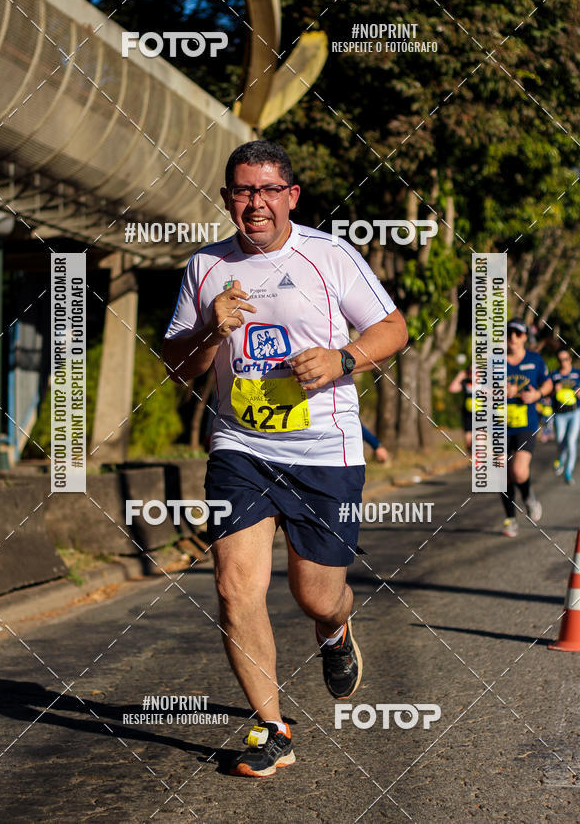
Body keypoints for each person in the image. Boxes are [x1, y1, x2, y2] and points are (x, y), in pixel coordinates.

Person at [162, 140, 407, 777]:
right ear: (227, 200)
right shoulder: (205, 269)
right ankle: (272, 729)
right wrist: (207, 331)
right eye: (243, 191)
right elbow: (179, 368)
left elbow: (393, 328)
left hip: (324, 449)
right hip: (240, 447)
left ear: (291, 197)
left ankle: (335, 630)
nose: (256, 203)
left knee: (315, 593)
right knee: (234, 587)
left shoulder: (329, 257)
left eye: (269, 190)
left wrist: (343, 360)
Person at [500, 318, 552, 537]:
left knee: (519, 472)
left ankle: (528, 495)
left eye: (517, 333)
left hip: (526, 425)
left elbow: (548, 383)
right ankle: (510, 519)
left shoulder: (535, 359)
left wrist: (537, 394)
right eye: (509, 332)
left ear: (524, 337)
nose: (512, 337)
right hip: (499, 425)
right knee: (503, 476)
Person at [550, 348, 580, 484]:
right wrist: (552, 391)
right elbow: (547, 392)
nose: (563, 362)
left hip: (575, 412)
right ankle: (561, 460)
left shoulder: (577, 374)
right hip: (560, 414)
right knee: (561, 441)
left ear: (570, 359)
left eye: (566, 359)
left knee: (571, 441)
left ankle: (568, 472)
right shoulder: (554, 375)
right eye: (560, 360)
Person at [448, 366, 474, 454]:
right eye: (471, 372)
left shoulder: (485, 383)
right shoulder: (465, 383)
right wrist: (460, 375)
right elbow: (452, 389)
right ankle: (473, 459)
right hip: (468, 416)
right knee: (469, 441)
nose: (473, 374)